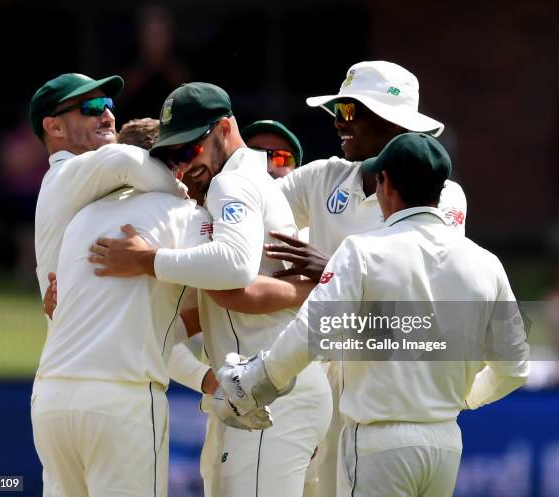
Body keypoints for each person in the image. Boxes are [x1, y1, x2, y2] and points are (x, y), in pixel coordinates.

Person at [218, 132, 530, 497]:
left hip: (377, 442)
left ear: (385, 183)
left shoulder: (361, 251)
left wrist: (253, 381)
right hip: (445, 442)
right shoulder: (485, 261)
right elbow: (515, 367)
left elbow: (313, 332)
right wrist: (465, 398)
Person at [88, 82, 332, 497]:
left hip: (271, 393)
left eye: (190, 149)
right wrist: (204, 378)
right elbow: (197, 312)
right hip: (266, 390)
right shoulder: (239, 183)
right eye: (172, 155)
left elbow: (232, 268)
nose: (183, 166)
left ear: (223, 128)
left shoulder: (230, 184)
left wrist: (146, 259)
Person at [30, 75, 256, 496]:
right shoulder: (175, 209)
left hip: (53, 395)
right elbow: (236, 271)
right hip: (121, 399)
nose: (107, 113)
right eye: (92, 107)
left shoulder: (86, 213)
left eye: (107, 105)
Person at [263, 61, 468, 497]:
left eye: (351, 112)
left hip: (390, 387)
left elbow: (426, 288)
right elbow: (250, 216)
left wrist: (332, 271)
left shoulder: (442, 192)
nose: (339, 123)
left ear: (392, 121)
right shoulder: (324, 176)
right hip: (318, 375)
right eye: (337, 110)